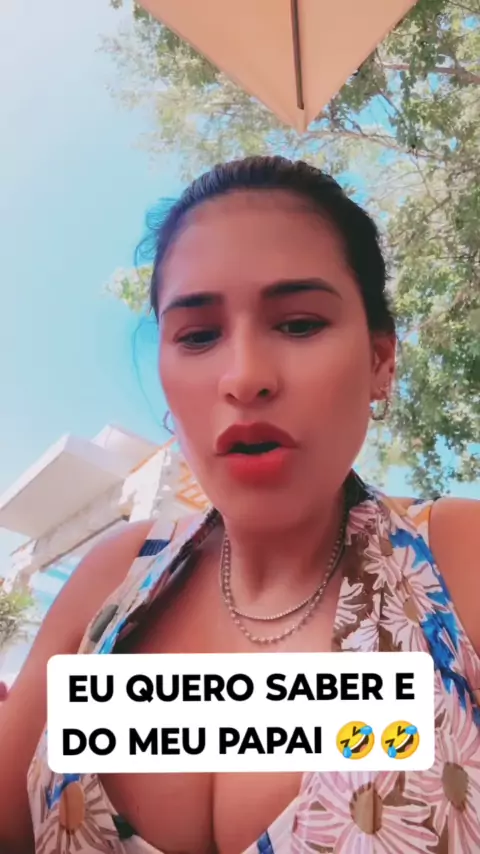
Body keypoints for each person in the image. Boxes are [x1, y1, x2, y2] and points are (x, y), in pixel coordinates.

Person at [0, 156, 479, 854]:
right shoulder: (115, 575)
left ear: (381, 360)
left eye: (300, 323)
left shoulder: (456, 559)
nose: (245, 376)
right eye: (197, 335)